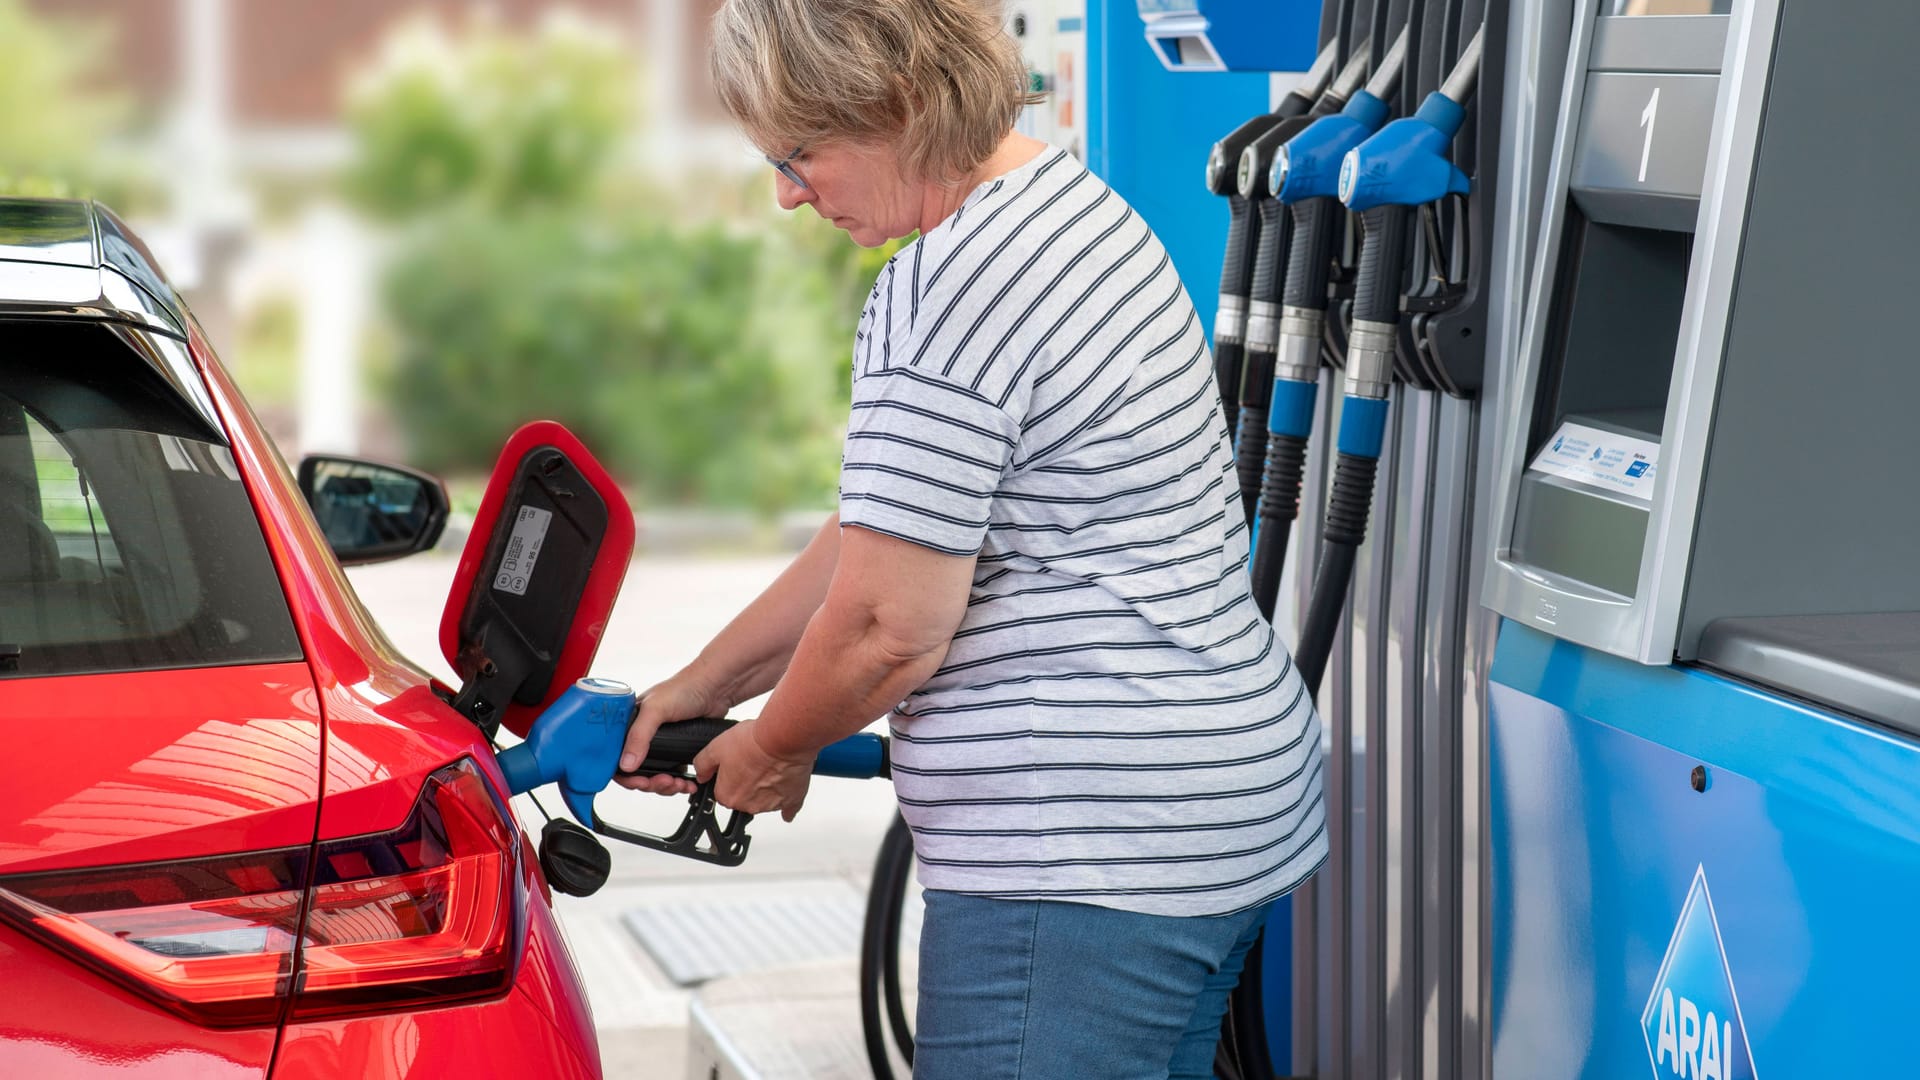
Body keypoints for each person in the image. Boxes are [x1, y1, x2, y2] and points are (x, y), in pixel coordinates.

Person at [617, 1, 1326, 1075]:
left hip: (1083, 865)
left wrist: (773, 749)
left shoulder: (947, 286)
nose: (787, 195)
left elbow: (885, 631)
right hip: (1201, 821)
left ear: (892, 103)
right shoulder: (1068, 205)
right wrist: (709, 687)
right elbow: (875, 543)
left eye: (798, 156)